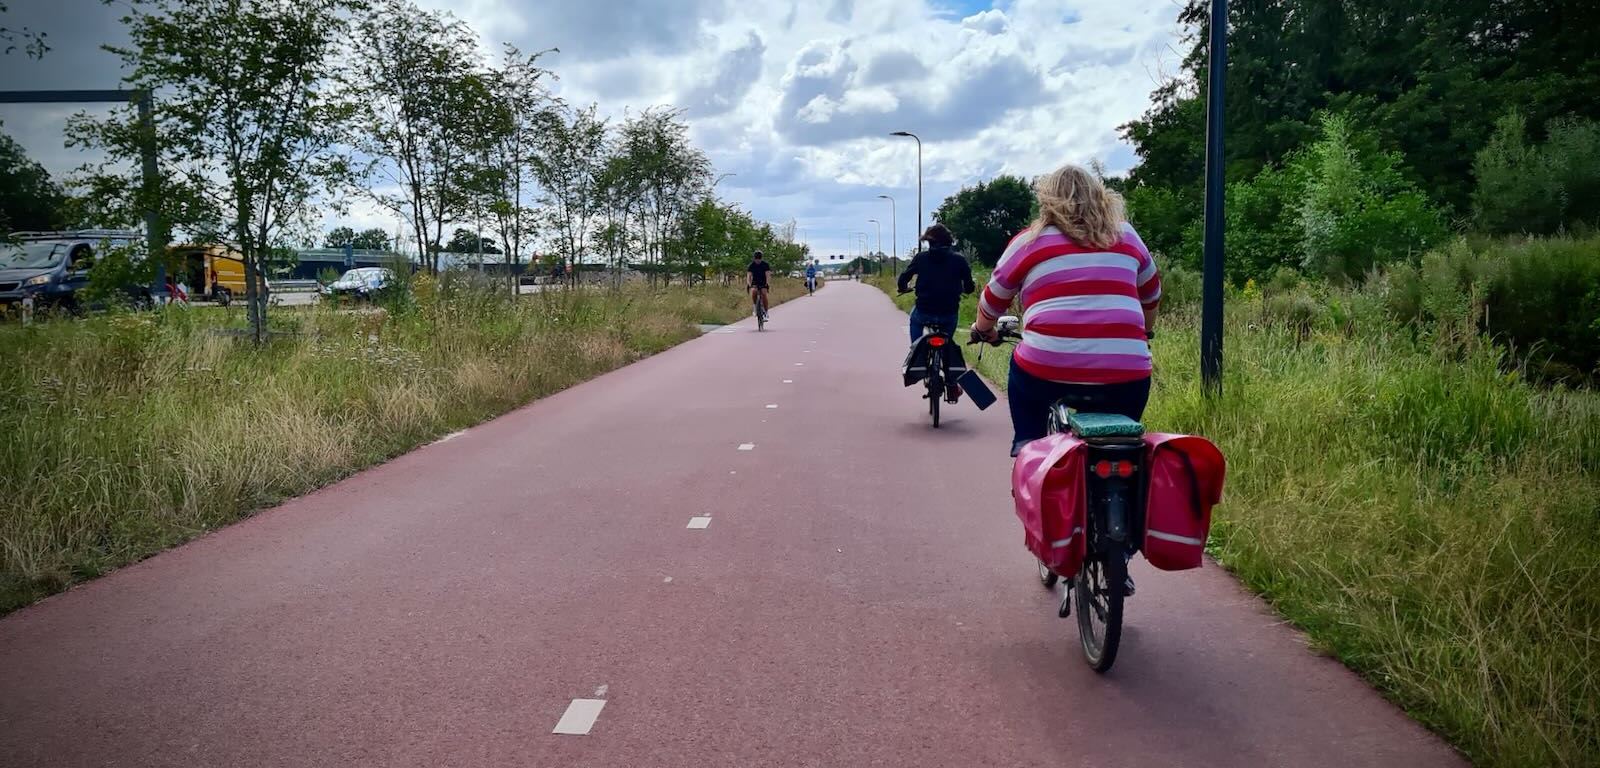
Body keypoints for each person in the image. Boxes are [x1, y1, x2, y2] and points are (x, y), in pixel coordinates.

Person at [970, 163, 1161, 457]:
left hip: (1045, 370)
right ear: (1101, 197)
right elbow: (1151, 293)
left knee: (1025, 398)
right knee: (1126, 448)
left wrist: (983, 330)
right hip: (1127, 372)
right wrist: (1145, 332)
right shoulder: (1126, 236)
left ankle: (1027, 448)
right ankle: (1128, 478)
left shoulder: (1028, 241)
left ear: (1046, 201)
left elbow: (992, 300)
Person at [897, 223, 976, 402]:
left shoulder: (921, 258)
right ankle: (952, 383)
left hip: (924, 311)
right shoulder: (959, 260)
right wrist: (967, 289)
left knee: (915, 323)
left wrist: (903, 287)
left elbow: (904, 278)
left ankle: (917, 351)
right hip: (949, 314)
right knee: (948, 343)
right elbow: (969, 286)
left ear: (928, 242)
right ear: (949, 241)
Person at [746, 250, 771, 318]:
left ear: (761, 258)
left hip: (763, 282)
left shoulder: (765, 264)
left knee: (763, 293)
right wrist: (749, 284)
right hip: (755, 282)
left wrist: (767, 284)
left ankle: (766, 312)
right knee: (754, 291)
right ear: (754, 258)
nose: (758, 261)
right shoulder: (751, 265)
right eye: (756, 259)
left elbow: (768, 275)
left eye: (759, 259)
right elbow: (749, 276)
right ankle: (755, 306)